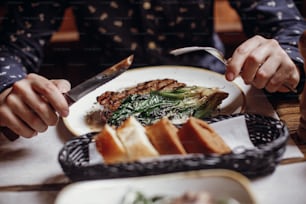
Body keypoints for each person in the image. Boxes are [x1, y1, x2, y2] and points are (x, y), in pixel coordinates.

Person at [0, 0, 306, 138]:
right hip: (97, 112)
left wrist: (288, 58)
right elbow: (11, 47)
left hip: (219, 106)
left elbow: (287, 25)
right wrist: (8, 88)